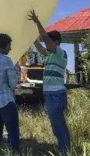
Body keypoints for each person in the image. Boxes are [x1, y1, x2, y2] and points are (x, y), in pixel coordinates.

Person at [28, 10, 70, 154]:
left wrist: (37, 22)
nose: (46, 45)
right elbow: (40, 47)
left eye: (50, 42)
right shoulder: (51, 54)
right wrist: (30, 37)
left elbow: (45, 39)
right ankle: (66, 148)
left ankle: (64, 151)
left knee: (57, 125)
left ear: (56, 42)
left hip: (56, 94)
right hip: (52, 94)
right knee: (59, 124)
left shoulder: (60, 53)